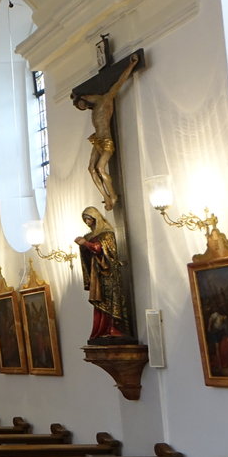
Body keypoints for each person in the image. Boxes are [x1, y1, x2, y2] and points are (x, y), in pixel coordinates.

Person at [71, 52, 140, 211]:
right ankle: (105, 196)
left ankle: (113, 196)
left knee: (101, 168)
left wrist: (131, 64)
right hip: (97, 139)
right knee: (91, 169)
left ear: (86, 98)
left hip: (107, 139)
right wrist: (76, 96)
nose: (82, 106)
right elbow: (82, 96)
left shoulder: (107, 98)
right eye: (79, 106)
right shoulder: (93, 108)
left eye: (81, 104)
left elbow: (121, 81)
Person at [75, 206, 132, 340]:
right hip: (97, 274)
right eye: (85, 220)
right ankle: (101, 330)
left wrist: (86, 244)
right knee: (100, 301)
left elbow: (100, 250)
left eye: (88, 219)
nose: (87, 222)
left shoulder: (107, 234)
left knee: (110, 299)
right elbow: (88, 256)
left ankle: (113, 327)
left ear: (96, 218)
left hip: (109, 273)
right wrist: (83, 246)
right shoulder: (89, 237)